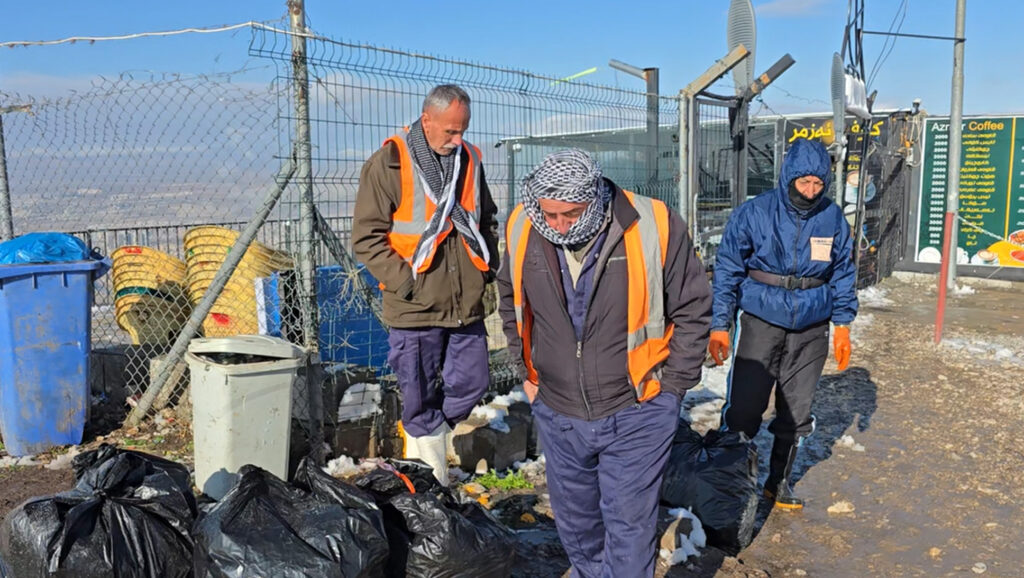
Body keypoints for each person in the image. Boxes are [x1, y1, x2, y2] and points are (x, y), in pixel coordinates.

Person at [497, 149, 711, 577]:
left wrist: (673, 389)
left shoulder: (653, 223)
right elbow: (511, 300)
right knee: (576, 521)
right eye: (549, 214)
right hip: (559, 410)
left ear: (593, 199)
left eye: (570, 214)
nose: (558, 225)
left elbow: (692, 307)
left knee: (629, 523)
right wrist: (527, 372)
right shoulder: (524, 223)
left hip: (637, 407)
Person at [353, 84, 499, 487]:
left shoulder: (469, 159)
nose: (457, 140)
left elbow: (486, 217)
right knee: (418, 397)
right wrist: (406, 282)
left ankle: (424, 449)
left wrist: (488, 268)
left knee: (473, 381)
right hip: (414, 305)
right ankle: (429, 483)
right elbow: (367, 238)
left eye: (463, 130)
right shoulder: (390, 162)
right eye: (450, 131)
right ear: (426, 119)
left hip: (464, 299)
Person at [708, 137, 858, 510]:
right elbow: (727, 269)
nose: (810, 191)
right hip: (761, 319)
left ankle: (778, 482)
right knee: (745, 407)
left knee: (796, 409)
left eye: (818, 184)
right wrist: (720, 324)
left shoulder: (832, 217)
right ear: (788, 177)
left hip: (811, 325)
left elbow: (843, 271)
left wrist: (842, 324)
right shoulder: (754, 213)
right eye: (803, 182)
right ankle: (731, 483)